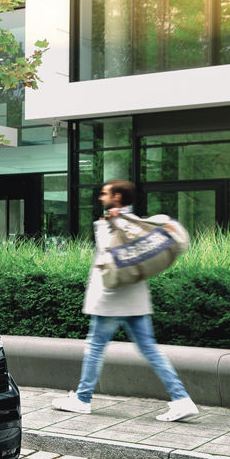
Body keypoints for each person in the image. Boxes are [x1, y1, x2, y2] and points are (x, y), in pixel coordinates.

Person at [52, 180, 198, 422]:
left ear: (117, 197)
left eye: (105, 194)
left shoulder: (113, 224)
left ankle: (82, 399)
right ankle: (182, 399)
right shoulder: (137, 223)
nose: (101, 198)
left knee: (95, 347)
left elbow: (109, 257)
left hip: (111, 299)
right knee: (150, 350)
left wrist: (103, 224)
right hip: (135, 299)